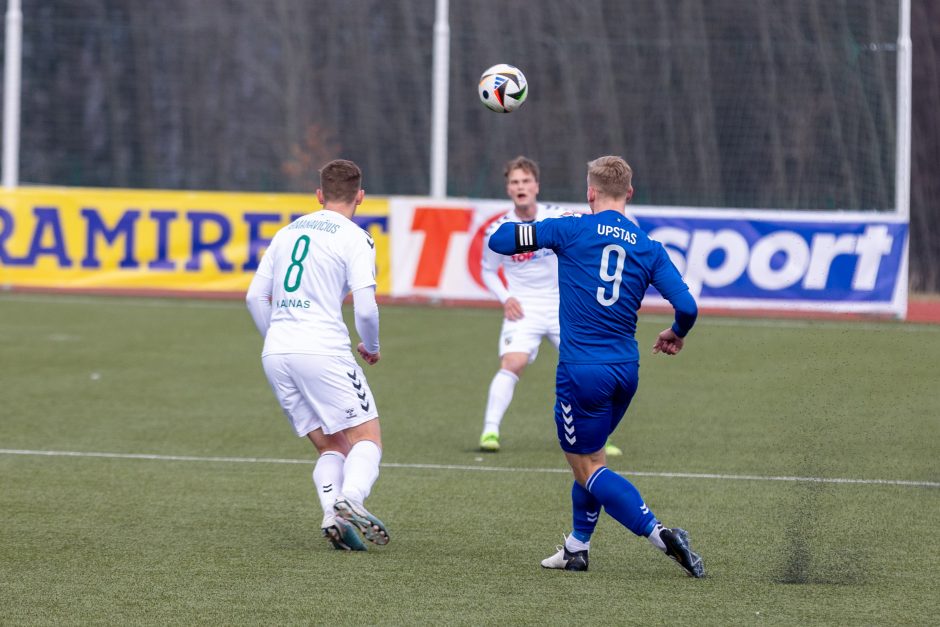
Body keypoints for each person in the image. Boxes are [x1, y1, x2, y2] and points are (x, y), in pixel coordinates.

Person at [488, 155, 704, 577]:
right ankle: (576, 548)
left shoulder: (571, 228)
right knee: (590, 457)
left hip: (581, 372)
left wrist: (553, 225)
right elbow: (688, 306)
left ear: (590, 193)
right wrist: (676, 332)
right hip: (626, 370)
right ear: (630, 193)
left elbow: (500, 240)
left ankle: (661, 535)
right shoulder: (648, 246)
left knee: (587, 467)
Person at [246, 159, 389, 552]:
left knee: (331, 446)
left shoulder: (287, 232)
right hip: (322, 349)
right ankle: (352, 498)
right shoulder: (356, 237)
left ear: (319, 195)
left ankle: (332, 514)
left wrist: (276, 336)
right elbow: (365, 309)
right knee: (367, 440)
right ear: (360, 196)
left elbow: (254, 296)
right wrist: (371, 347)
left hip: (277, 352)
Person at [479, 156, 622, 458]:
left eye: (525, 181)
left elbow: (588, 233)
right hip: (524, 309)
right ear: (508, 189)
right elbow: (487, 270)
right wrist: (506, 298)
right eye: (515, 182)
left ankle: (601, 436)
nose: (521, 187)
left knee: (589, 368)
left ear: (536, 186)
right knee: (512, 363)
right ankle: (490, 429)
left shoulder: (557, 217)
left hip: (564, 307)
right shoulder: (499, 228)